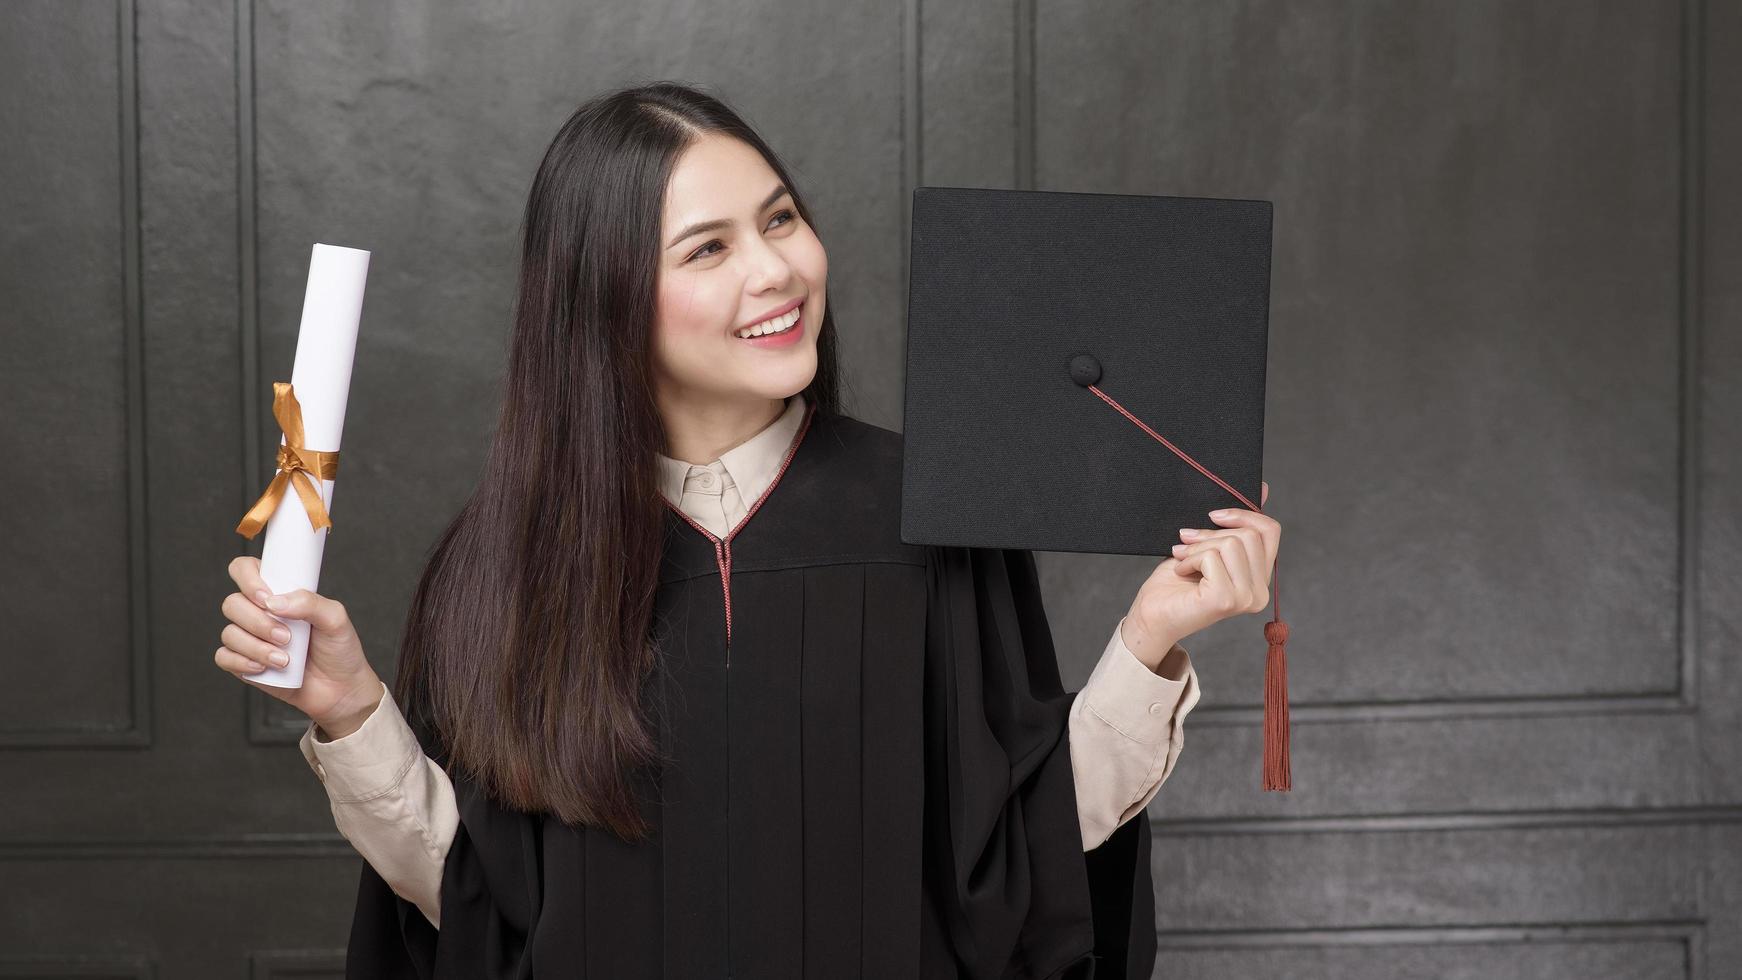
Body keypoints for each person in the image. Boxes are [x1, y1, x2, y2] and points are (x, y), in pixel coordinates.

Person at [213, 82, 1280, 979]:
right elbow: (481, 904)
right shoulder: (508, 562)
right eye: (706, 248)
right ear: (607, 299)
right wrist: (352, 712)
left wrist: (1147, 640)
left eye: (778, 219)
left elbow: (1019, 861)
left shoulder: (925, 514)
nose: (773, 272)